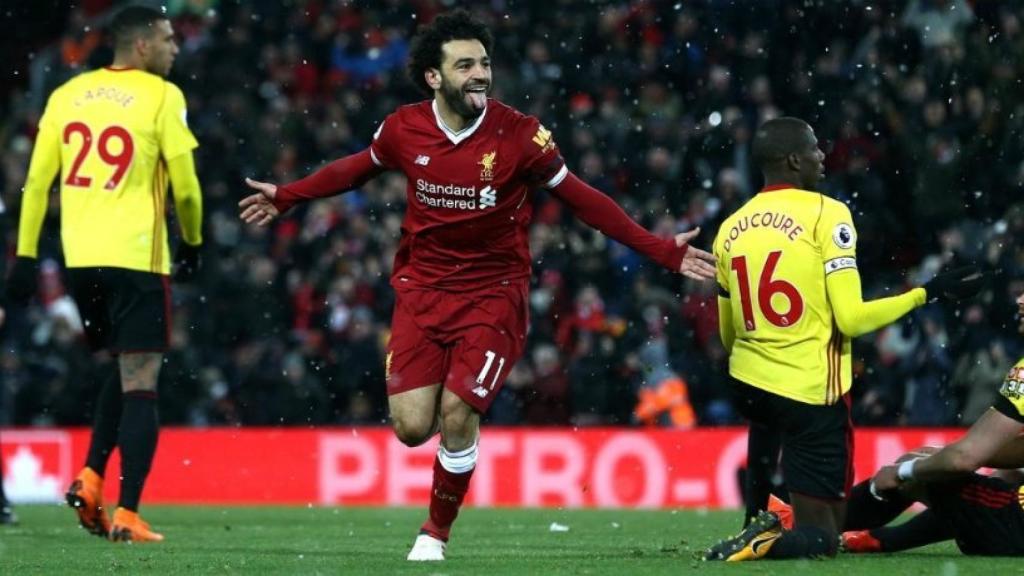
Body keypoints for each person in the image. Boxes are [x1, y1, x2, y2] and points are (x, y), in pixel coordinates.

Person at [239, 9, 716, 562]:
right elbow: (353, 168)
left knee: (458, 412)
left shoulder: (520, 136)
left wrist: (658, 248)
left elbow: (585, 199)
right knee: (412, 428)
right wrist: (289, 195)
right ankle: (446, 467)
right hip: (422, 289)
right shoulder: (403, 128)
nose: (480, 74)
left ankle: (434, 533)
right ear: (433, 77)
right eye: (464, 65)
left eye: (485, 63)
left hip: (494, 291)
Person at [702, 117, 983, 561]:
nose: (821, 156)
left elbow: (728, 332)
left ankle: (756, 512)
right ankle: (768, 537)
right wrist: (926, 293)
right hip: (810, 394)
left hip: (749, 384)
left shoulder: (730, 228)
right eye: (814, 149)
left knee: (767, 414)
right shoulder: (827, 214)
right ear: (794, 160)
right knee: (823, 538)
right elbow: (851, 319)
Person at [6, 5, 203, 542]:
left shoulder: (66, 95)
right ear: (141, 46)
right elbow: (185, 187)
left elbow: (36, 183)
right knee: (143, 381)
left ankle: (91, 478)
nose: (175, 48)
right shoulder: (164, 97)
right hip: (137, 258)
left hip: (80, 263)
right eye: (167, 39)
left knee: (122, 368)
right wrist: (193, 241)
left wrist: (25, 257)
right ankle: (129, 510)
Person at [831, 290, 1024, 556]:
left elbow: (963, 459)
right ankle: (876, 539)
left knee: (922, 465)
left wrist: (904, 471)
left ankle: (812, 529)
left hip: (1016, 528)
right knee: (954, 470)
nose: (1020, 300)